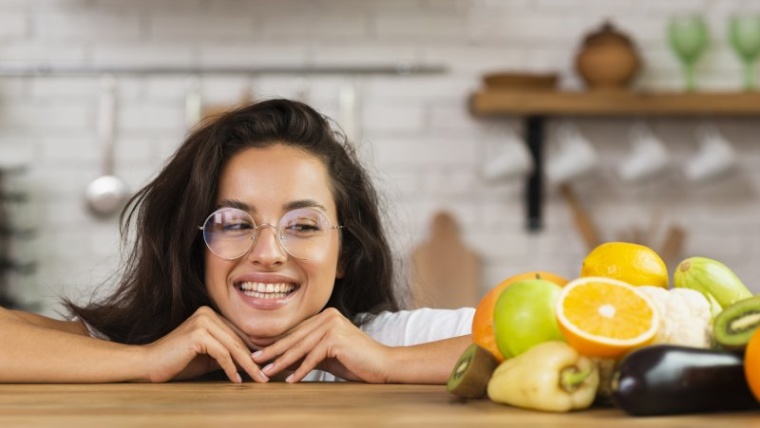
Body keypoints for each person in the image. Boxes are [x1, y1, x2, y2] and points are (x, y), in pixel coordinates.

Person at [0, 98, 474, 384]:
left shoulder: (383, 343)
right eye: (233, 223)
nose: (267, 254)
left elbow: (550, 328)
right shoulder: (151, 348)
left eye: (303, 226)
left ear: (344, 254)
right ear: (196, 246)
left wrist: (389, 364)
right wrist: (144, 360)